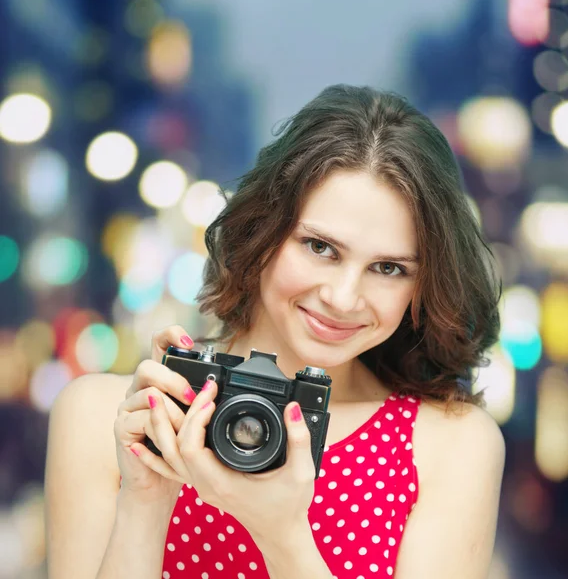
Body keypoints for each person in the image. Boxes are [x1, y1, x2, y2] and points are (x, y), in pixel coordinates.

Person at [45, 84, 505, 579]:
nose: (343, 297)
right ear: (263, 231)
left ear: (423, 286)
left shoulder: (449, 446)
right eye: (320, 247)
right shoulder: (103, 418)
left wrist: (284, 535)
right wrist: (147, 499)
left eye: (389, 268)